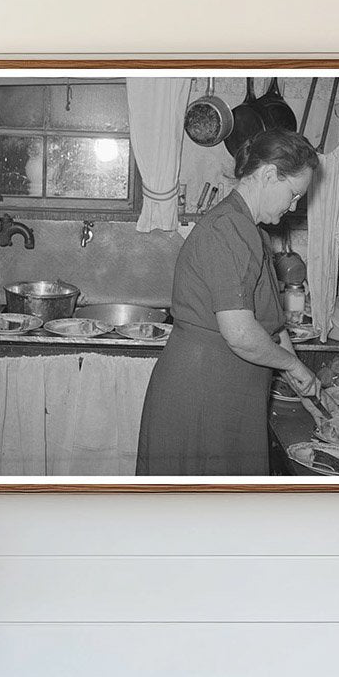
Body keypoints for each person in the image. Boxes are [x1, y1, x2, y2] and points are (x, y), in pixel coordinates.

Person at [137, 128, 321, 475]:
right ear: (268, 175)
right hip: (202, 393)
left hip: (227, 394)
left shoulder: (253, 232)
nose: (294, 206)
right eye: (294, 194)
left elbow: (271, 326)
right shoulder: (228, 229)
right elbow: (239, 333)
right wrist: (294, 367)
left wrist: (303, 385)